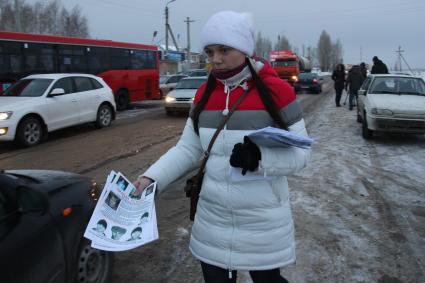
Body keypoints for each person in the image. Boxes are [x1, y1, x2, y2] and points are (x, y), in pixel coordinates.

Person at [133, 11, 310, 283]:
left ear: (244, 49)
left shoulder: (276, 91)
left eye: (224, 50)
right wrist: (151, 178)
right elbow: (188, 149)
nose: (215, 59)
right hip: (213, 221)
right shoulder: (204, 94)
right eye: (209, 51)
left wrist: (259, 158)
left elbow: (301, 155)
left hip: (262, 223)